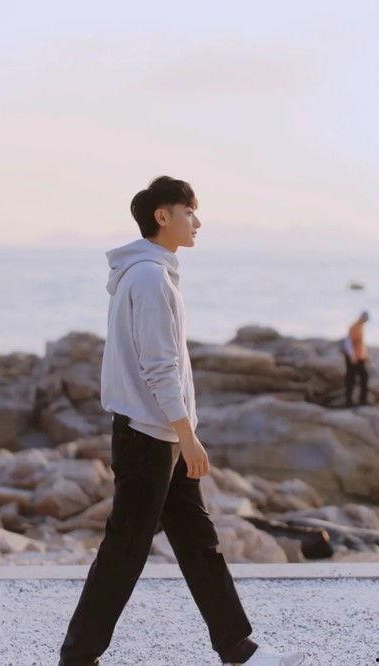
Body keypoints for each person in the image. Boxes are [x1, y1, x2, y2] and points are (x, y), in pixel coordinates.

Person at [58, 176, 305, 666]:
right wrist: (188, 435)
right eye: (189, 211)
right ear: (162, 216)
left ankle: (237, 648)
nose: (197, 222)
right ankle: (78, 656)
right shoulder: (149, 279)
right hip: (150, 437)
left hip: (158, 433)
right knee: (126, 549)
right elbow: (159, 367)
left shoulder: (151, 274)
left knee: (197, 541)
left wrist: (181, 432)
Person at [343, 310, 370, 407]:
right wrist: (352, 356)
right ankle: (352, 401)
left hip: (358, 358)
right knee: (353, 379)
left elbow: (360, 344)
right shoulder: (355, 326)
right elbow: (348, 342)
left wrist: (365, 356)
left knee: (360, 378)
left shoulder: (361, 327)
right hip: (354, 358)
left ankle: (359, 401)